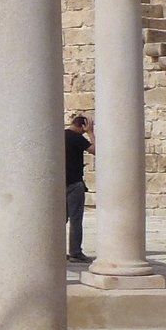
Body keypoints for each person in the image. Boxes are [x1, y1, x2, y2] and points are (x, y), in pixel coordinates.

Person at [65, 112, 93, 262]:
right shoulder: (77, 137)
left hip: (59, 183)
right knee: (76, 219)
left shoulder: (61, 135)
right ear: (82, 126)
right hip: (74, 184)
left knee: (58, 219)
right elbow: (96, 150)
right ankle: (75, 252)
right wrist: (90, 132)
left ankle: (55, 250)